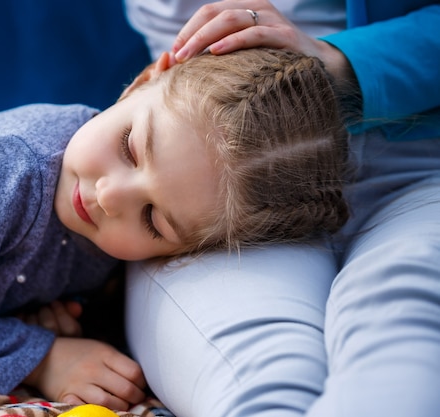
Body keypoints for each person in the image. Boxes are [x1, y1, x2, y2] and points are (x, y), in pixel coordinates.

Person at [0, 46, 350, 410]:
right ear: (143, 81)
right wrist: (38, 355)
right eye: (130, 147)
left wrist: (29, 310)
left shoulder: (111, 241)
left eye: (153, 219)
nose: (109, 195)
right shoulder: (11, 167)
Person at [122, 1, 440, 416]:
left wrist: (342, 63)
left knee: (401, 322)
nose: (105, 195)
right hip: (220, 213)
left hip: (416, 172)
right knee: (259, 369)